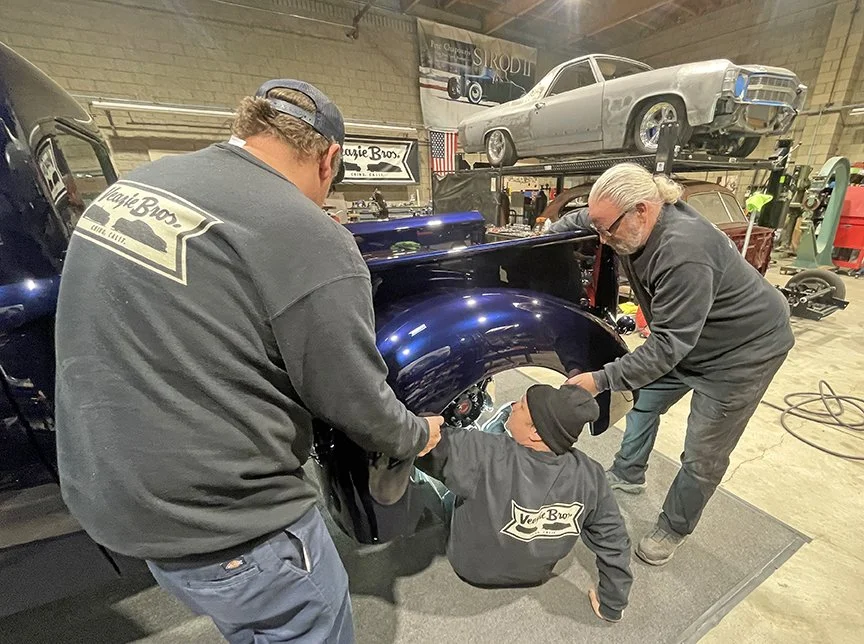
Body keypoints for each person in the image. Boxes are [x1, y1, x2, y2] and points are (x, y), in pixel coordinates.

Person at [54, 79, 443, 643]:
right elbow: (355, 401)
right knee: (309, 618)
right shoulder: (305, 232)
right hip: (228, 519)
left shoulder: (139, 184)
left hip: (112, 492)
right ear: (329, 158)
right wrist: (418, 433)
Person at [551, 163, 794, 565]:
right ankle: (628, 473)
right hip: (688, 337)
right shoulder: (626, 220)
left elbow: (667, 347)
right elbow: (587, 220)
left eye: (608, 230)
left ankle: (674, 526)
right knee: (642, 401)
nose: (603, 239)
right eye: (600, 229)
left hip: (743, 352)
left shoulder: (684, 252)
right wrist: (546, 237)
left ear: (642, 210)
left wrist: (600, 380)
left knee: (703, 453)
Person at [412, 384, 633, 623]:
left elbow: (418, 439)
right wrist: (612, 604)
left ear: (536, 432)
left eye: (522, 406)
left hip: (472, 569)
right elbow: (613, 539)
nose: (514, 406)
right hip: (535, 574)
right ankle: (498, 428)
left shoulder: (483, 452)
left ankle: (495, 428)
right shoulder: (591, 475)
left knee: (438, 487)